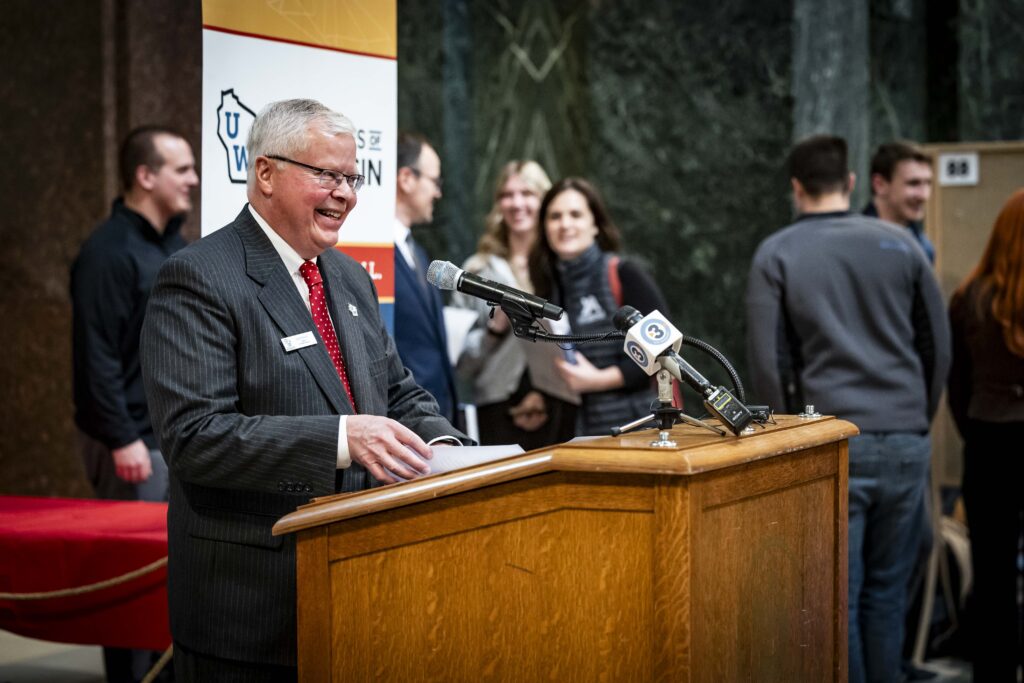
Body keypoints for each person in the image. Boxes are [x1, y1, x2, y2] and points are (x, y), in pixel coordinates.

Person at [140, 99, 468, 681]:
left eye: (353, 177)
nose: (346, 193)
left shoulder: (345, 275)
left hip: (358, 592)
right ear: (265, 173)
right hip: (251, 610)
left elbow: (397, 392)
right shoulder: (199, 277)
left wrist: (453, 452)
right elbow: (195, 438)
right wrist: (343, 438)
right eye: (327, 175)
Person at [745, 134, 950, 683]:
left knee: (840, 600)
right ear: (853, 182)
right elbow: (939, 347)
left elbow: (768, 362)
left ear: (795, 187)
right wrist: (914, 418)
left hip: (831, 438)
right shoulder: (902, 245)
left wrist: (790, 435)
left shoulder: (777, 253)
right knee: (886, 595)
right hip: (906, 436)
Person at [70, 125, 198, 682]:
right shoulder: (107, 252)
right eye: (181, 169)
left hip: (174, 435)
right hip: (133, 445)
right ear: (145, 177)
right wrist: (122, 438)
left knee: (170, 581)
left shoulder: (175, 245)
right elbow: (93, 357)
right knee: (129, 580)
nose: (194, 179)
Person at [947, 188, 1024, 683]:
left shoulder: (969, 298)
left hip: (989, 446)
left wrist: (974, 431)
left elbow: (956, 384)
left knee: (993, 576)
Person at [529, 177, 669, 436]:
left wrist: (598, 380)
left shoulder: (624, 273)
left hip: (637, 429)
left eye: (575, 214)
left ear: (595, 224)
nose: (565, 224)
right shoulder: (548, 286)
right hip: (578, 435)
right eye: (555, 216)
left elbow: (665, 349)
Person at [452, 160, 575, 448]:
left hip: (561, 404)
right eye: (507, 195)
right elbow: (461, 363)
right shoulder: (476, 272)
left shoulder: (563, 265)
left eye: (527, 194)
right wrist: (495, 329)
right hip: (496, 409)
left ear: (544, 201)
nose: (516, 203)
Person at [393, 131, 458, 423]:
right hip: (403, 423)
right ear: (406, 178)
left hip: (437, 419)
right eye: (435, 182)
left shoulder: (418, 253)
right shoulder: (374, 254)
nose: (438, 193)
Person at [864, 141, 935, 262]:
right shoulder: (855, 242)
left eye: (928, 183)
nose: (924, 195)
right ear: (879, 184)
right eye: (913, 183)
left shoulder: (924, 247)